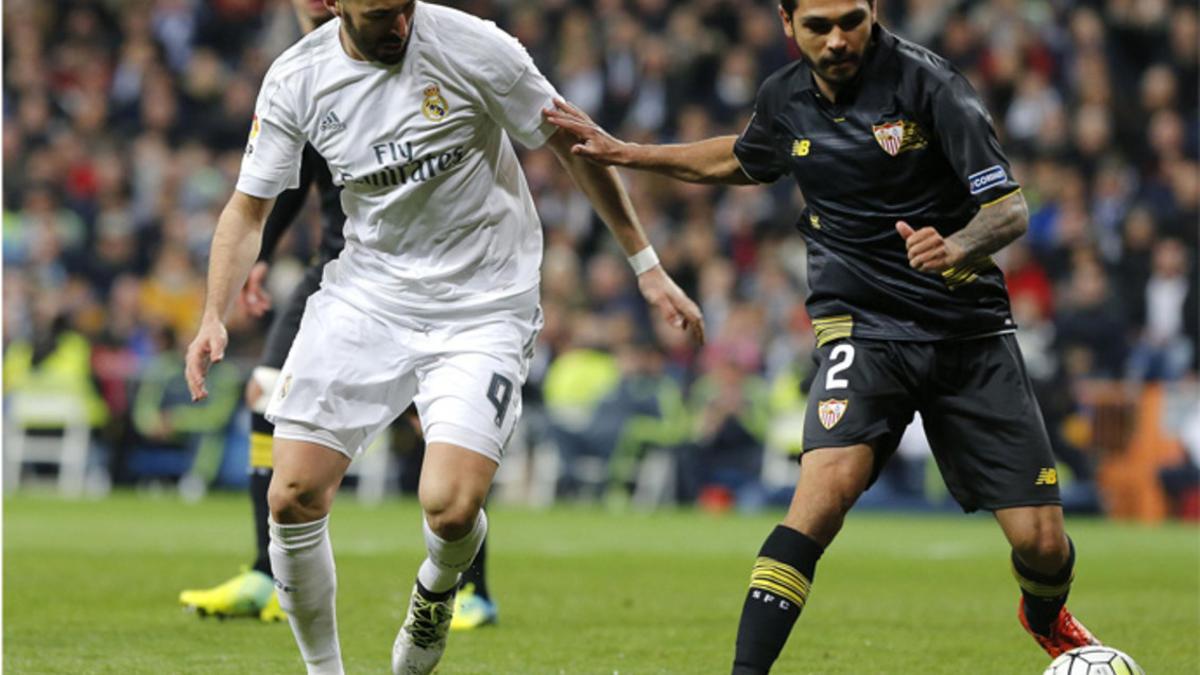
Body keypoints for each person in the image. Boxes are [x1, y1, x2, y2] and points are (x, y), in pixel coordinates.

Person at [543, 0, 1100, 672]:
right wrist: (630, 153)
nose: (837, 39)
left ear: (872, 11)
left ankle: (1044, 613)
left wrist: (956, 245)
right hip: (861, 328)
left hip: (968, 333)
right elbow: (742, 158)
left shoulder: (932, 85)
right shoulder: (784, 98)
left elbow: (1008, 207)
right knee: (820, 497)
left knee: (1042, 543)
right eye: (818, 26)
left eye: (850, 21)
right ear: (787, 24)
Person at [184, 1, 703, 673]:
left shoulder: (472, 46)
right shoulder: (296, 77)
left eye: (402, 7)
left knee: (451, 507)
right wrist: (212, 313)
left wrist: (648, 268)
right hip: (367, 295)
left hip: (484, 301)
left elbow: (577, 143)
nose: (397, 26)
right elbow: (248, 207)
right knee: (292, 496)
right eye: (377, 15)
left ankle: (437, 591)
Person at [177, 0, 497, 630]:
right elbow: (285, 178)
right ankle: (267, 573)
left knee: (441, 428)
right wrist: (260, 258)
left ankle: (471, 588)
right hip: (335, 268)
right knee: (267, 395)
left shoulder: (381, 49)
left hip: (406, 275)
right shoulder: (304, 69)